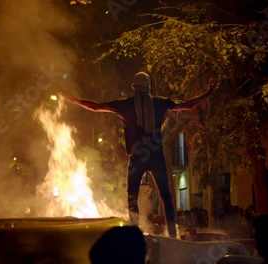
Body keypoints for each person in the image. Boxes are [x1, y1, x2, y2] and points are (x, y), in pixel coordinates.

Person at [64, 72, 217, 237]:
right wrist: (208, 93)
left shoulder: (125, 105)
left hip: (137, 159)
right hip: (156, 157)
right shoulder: (159, 103)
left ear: (133, 87)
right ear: (149, 87)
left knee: (132, 198)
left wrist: (73, 99)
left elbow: (95, 107)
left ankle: (134, 234)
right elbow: (187, 106)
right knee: (165, 196)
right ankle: (172, 234)